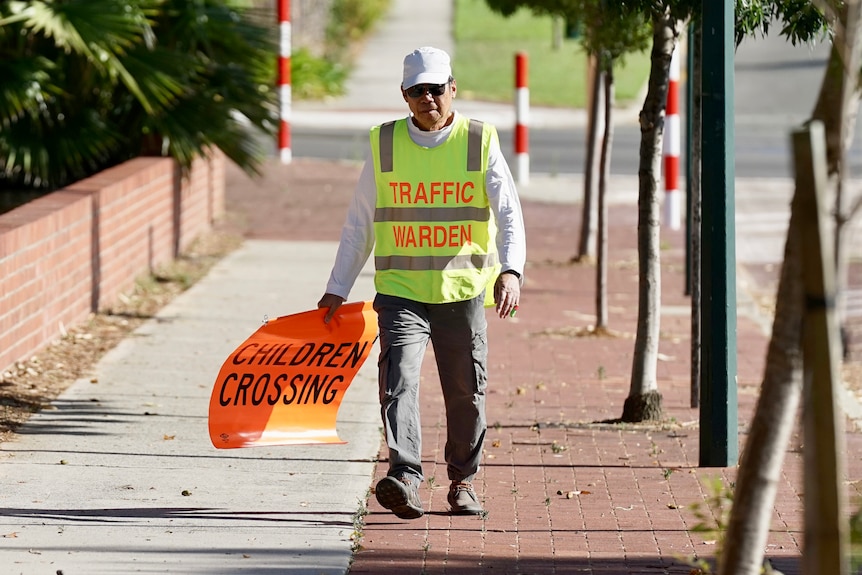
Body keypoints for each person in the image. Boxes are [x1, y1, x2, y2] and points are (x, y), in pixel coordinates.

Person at [317, 46, 526, 520]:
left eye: (437, 88)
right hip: (401, 293)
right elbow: (360, 223)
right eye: (418, 91)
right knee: (398, 381)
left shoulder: (479, 140)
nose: (429, 98)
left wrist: (511, 271)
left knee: (466, 392)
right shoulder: (384, 143)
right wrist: (338, 286)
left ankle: (463, 484)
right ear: (405, 96)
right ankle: (405, 477)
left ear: (454, 89)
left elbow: (508, 213)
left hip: (462, 292)